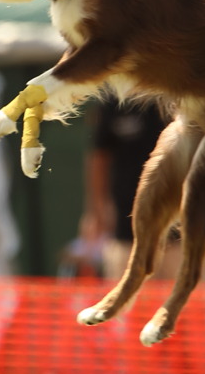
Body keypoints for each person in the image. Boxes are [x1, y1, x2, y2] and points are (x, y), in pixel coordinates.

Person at [74, 95, 180, 279]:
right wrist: (95, 212)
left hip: (178, 231)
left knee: (187, 303)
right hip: (126, 230)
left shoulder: (178, 93)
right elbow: (99, 157)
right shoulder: (114, 100)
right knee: (125, 300)